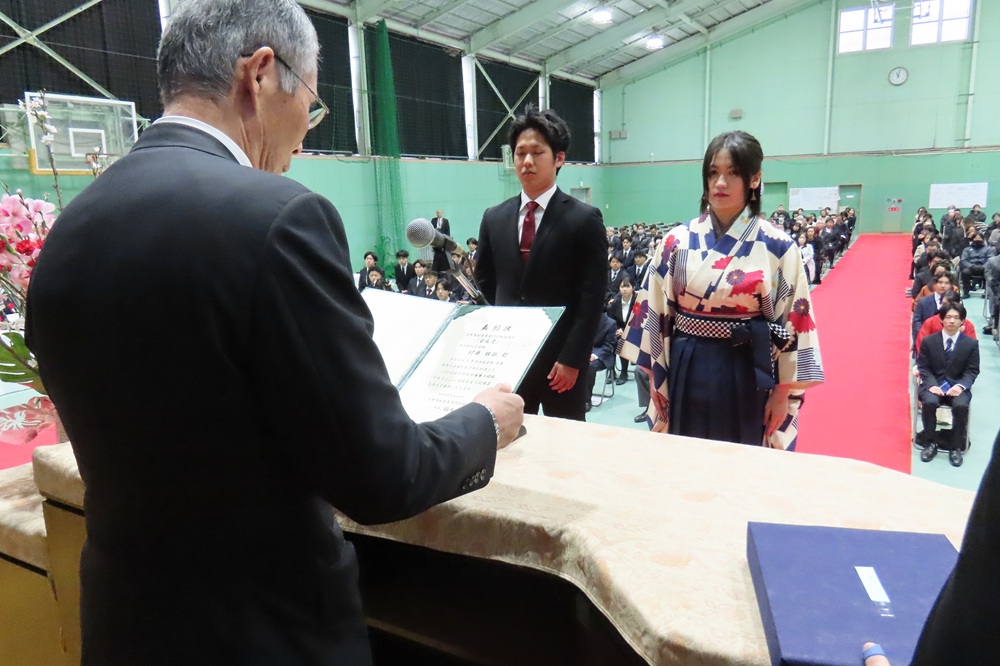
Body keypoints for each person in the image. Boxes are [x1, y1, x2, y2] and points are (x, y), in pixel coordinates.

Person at [23, 1, 525, 663]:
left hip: (126, 625)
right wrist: (485, 423)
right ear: (260, 74)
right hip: (265, 632)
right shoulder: (278, 217)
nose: (304, 140)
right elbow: (381, 478)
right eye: (310, 106)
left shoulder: (71, 228)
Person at [621, 130, 823, 449]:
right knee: (687, 450)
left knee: (741, 454)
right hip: (687, 362)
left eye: (733, 173)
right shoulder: (676, 241)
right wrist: (656, 377)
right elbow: (654, 307)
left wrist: (783, 391)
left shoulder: (779, 246)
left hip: (748, 366)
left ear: (754, 179)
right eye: (713, 173)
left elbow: (793, 320)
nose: (720, 183)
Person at [475, 104, 607, 421]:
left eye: (537, 153)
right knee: (511, 437)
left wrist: (572, 358)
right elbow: (486, 285)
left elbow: (591, 297)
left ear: (558, 158)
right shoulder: (494, 217)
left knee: (566, 440)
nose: (527, 161)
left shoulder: (584, 218)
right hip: (510, 359)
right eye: (520, 153)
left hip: (561, 362)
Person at [915, 302, 980, 466]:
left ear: (962, 321)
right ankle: (930, 443)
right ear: (942, 320)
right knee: (929, 402)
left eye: (956, 318)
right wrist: (931, 385)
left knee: (961, 405)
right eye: (948, 317)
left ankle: (956, 446)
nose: (952, 321)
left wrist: (960, 386)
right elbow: (923, 366)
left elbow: (972, 370)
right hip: (934, 385)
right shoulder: (929, 341)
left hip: (957, 386)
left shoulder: (971, 344)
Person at [584, 314, 617, 413]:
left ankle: (586, 400)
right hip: (584, 352)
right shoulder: (583, 320)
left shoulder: (610, 323)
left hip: (603, 356)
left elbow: (609, 346)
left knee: (589, 366)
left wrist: (594, 355)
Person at [607, 276, 637, 385]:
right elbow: (611, 321)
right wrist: (617, 330)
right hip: (618, 331)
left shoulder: (638, 302)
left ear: (633, 288)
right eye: (622, 287)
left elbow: (639, 322)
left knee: (621, 342)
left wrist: (625, 331)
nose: (624, 289)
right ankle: (611, 371)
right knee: (609, 341)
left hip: (634, 332)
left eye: (627, 286)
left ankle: (624, 372)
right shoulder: (614, 303)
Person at [430, 208, 451, 273]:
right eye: (438, 213)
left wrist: (448, 239)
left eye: (440, 213)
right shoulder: (433, 220)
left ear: (442, 213)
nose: (439, 214)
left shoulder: (446, 221)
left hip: (443, 238)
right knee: (436, 253)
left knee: (443, 253)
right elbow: (431, 229)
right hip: (436, 238)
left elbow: (448, 231)